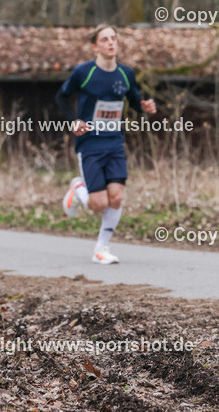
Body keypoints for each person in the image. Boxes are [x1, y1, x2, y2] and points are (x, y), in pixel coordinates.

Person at [56, 25, 156, 265]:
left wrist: (144, 107)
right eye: (105, 39)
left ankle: (101, 248)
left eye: (114, 38)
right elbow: (61, 97)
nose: (111, 43)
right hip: (90, 143)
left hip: (114, 142)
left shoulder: (126, 74)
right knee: (98, 204)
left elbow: (133, 100)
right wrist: (74, 121)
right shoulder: (84, 72)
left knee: (116, 198)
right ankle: (77, 188)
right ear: (95, 46)